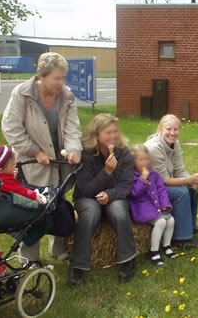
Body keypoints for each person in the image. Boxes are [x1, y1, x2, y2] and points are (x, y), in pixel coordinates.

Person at [1, 52, 81, 263]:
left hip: (59, 162)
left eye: (64, 77)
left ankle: (58, 249)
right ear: (42, 76)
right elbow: (11, 128)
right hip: (32, 162)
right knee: (32, 208)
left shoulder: (67, 96)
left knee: (58, 201)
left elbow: (73, 128)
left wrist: (74, 149)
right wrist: (35, 151)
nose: (62, 83)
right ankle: (29, 258)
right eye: (57, 78)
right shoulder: (22, 94)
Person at [68, 113, 137, 286]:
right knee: (90, 213)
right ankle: (78, 265)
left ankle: (128, 259)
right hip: (87, 198)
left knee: (119, 211)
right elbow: (85, 189)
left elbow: (125, 186)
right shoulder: (87, 154)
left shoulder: (124, 154)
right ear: (97, 135)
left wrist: (111, 195)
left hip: (114, 197)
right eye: (108, 132)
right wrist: (106, 172)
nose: (113, 136)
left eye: (115, 131)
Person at [144, 114, 198, 249]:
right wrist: (189, 179)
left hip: (159, 185)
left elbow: (179, 170)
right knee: (181, 192)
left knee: (191, 189)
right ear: (160, 130)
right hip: (148, 189)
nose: (172, 133)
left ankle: (190, 226)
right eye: (168, 129)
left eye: (176, 129)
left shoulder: (174, 144)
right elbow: (164, 180)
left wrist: (192, 181)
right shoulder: (154, 148)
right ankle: (181, 238)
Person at [129, 144, 176, 266]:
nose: (144, 162)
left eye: (146, 159)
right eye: (141, 160)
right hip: (142, 208)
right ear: (133, 162)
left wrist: (165, 203)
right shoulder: (132, 176)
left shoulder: (154, 174)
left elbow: (161, 190)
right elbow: (134, 194)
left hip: (157, 206)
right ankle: (154, 251)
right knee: (161, 222)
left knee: (171, 220)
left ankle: (166, 246)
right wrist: (142, 181)